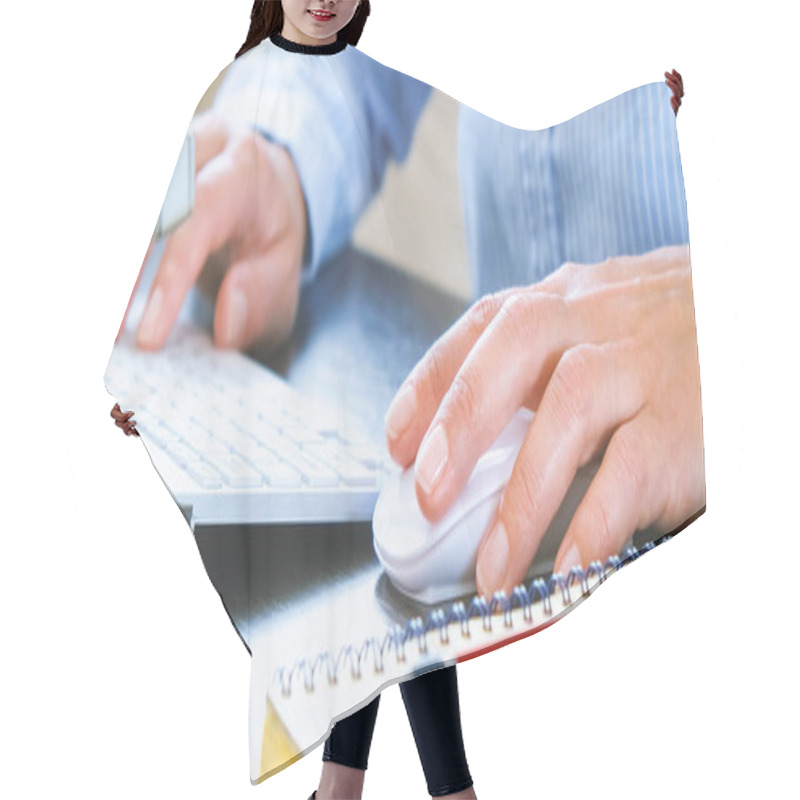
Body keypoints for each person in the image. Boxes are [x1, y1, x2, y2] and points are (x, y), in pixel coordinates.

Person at [111, 0, 698, 796]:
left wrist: (647, 122)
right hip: (467, 401)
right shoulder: (247, 71)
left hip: (653, 420)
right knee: (387, 590)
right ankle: (397, 789)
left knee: (389, 597)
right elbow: (356, 88)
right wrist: (281, 161)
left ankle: (363, 790)